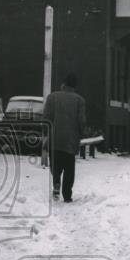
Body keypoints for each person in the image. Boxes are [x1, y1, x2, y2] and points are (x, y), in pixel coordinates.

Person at [43, 74, 87, 203]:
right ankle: (67, 194)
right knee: (69, 167)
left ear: (63, 85)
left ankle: (56, 183)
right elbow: (82, 120)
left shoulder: (52, 97)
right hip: (70, 140)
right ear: (75, 87)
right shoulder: (79, 100)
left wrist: (46, 132)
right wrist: (80, 133)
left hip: (54, 137)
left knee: (55, 164)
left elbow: (46, 117)